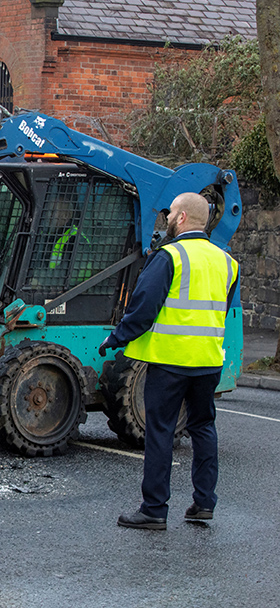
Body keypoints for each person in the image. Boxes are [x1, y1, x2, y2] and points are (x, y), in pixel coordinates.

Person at [99, 193, 238, 530]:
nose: (167, 218)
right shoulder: (227, 262)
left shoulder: (170, 257)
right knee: (203, 427)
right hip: (208, 362)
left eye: (171, 212)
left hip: (170, 361)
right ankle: (204, 504)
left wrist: (115, 339)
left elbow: (143, 309)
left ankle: (154, 510)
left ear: (181, 218)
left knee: (160, 431)